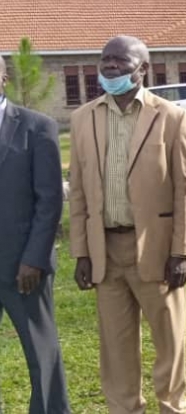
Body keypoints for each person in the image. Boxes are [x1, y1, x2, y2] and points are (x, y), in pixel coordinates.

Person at [69, 35, 186, 413]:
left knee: (169, 345)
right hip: (105, 252)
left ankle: (172, 407)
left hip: (158, 252)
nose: (109, 67)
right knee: (115, 349)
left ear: (142, 68)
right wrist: (81, 252)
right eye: (105, 60)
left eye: (120, 61)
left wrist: (181, 252)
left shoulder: (171, 117)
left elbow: (185, 190)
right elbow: (77, 192)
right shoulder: (83, 118)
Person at [0, 56, 71, 413]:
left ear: (3, 76)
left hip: (22, 266)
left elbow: (49, 201)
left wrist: (35, 258)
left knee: (41, 355)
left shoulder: (36, 127)